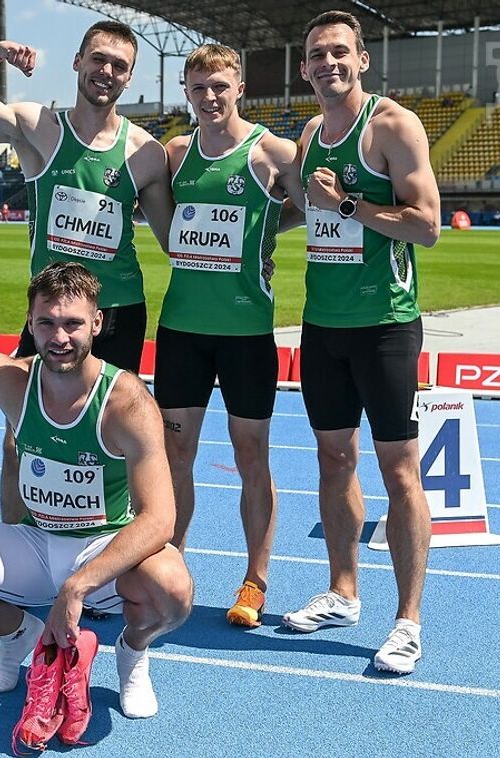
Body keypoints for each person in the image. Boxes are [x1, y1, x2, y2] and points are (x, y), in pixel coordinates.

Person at [0, 261, 193, 721]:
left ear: (97, 323)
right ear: (30, 323)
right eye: (46, 323)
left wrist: (78, 585)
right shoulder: (10, 379)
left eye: (72, 324)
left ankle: (133, 654)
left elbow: (159, 520)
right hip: (35, 541)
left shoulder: (126, 401)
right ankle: (16, 633)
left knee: (173, 589)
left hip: (104, 545)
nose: (59, 337)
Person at [0, 20, 173, 526]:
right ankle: (17, 546)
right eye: (98, 59)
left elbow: (176, 240)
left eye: (119, 65)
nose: (107, 71)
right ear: (77, 61)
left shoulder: (145, 153)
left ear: (130, 79)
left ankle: (106, 548)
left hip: (117, 311)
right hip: (50, 314)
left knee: (113, 438)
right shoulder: (38, 128)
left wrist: (269, 228)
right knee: (20, 437)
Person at [283, 10, 440, 675]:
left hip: (385, 325)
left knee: (398, 470)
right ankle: (343, 591)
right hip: (323, 325)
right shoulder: (312, 132)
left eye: (340, 52)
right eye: (318, 55)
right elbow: (300, 206)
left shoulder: (393, 126)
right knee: (332, 459)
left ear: (363, 59)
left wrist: (347, 204)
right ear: (304, 68)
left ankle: (407, 621)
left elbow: (427, 225)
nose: (329, 63)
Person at [153, 44, 305, 628]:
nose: (209, 97)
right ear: (187, 93)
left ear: (238, 86)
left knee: (251, 457)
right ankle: (173, 566)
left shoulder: (274, 152)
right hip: (183, 329)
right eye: (198, 88)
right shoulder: (176, 152)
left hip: (246, 333)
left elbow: (304, 210)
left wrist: (264, 232)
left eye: (219, 86)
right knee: (175, 456)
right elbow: (162, 217)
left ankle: (255, 581)